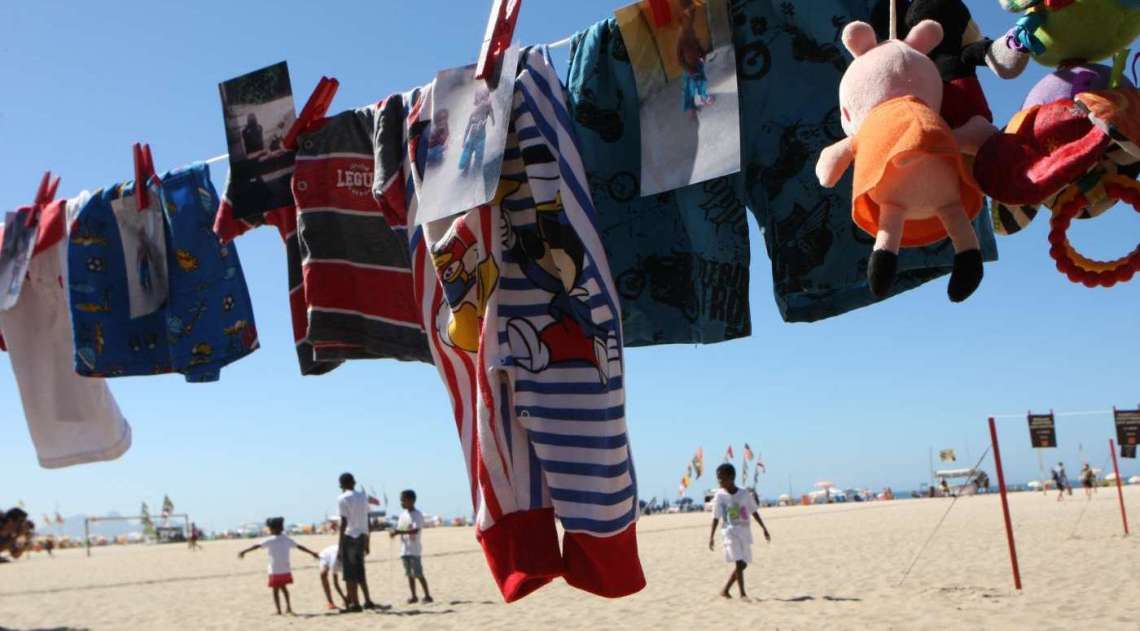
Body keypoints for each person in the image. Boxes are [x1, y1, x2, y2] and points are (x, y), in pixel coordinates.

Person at [708, 463, 770, 599]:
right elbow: (716, 516)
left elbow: (753, 511)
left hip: (744, 531)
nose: (719, 481)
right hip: (728, 532)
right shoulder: (719, 496)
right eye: (718, 478)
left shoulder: (744, 493)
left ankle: (725, 590)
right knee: (738, 560)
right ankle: (742, 594)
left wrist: (764, 528)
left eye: (721, 478)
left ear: (731, 478)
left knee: (743, 563)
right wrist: (711, 536)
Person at [238, 517, 320, 615]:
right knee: (284, 589)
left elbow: (256, 546)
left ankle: (279, 610)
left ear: (273, 529)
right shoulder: (286, 539)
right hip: (285, 569)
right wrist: (312, 553)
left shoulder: (270, 540)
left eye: (270, 528)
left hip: (274, 570)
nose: (269, 530)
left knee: (275, 590)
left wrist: (244, 551)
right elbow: (299, 547)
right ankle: (288, 607)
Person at [337, 472, 377, 613]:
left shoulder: (342, 498)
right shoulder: (363, 497)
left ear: (342, 484)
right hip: (361, 537)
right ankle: (367, 600)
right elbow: (367, 521)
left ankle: (355, 603)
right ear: (354, 482)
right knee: (360, 571)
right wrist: (367, 542)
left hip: (350, 536)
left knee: (349, 575)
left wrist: (340, 547)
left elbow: (344, 523)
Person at [389, 489, 433, 604]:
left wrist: (398, 532)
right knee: (409, 574)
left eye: (404, 500)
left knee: (418, 573)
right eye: (401, 501)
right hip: (404, 549)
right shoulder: (402, 515)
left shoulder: (417, 514)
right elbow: (401, 527)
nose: (402, 503)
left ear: (412, 501)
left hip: (414, 550)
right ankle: (413, 596)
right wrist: (395, 531)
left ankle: (427, 595)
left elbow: (415, 530)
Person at [677, 0, 713, 116]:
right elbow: (679, 58)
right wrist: (689, 69)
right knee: (689, 88)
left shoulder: (690, 30)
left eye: (693, 14)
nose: (692, 17)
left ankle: (704, 97)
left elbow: (696, 43)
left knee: (702, 81)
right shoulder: (681, 35)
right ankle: (690, 108)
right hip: (689, 66)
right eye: (690, 14)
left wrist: (702, 53)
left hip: (697, 62)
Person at [318, 544, 347, 611]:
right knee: (323, 574)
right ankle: (330, 601)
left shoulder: (348, 559)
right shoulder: (334, 562)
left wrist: (346, 598)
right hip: (325, 555)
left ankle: (347, 598)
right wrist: (343, 597)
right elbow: (336, 584)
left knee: (349, 578)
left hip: (337, 553)